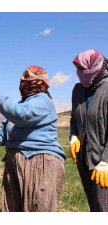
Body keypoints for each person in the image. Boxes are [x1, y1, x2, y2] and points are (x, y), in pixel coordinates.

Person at [0, 65, 66, 212]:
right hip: (16, 163)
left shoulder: (43, 101)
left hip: (40, 161)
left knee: (37, 208)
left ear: (39, 83)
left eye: (28, 80)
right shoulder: (22, 104)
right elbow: (4, 132)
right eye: (22, 80)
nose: (23, 84)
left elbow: (20, 115)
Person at [69, 49, 108, 211]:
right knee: (93, 206)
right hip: (84, 160)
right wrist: (74, 137)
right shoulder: (78, 90)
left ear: (96, 66)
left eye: (84, 68)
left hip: (102, 163)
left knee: (103, 207)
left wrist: (105, 161)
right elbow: (74, 119)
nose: (81, 73)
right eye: (78, 69)